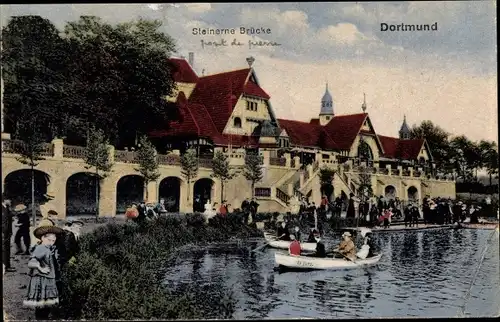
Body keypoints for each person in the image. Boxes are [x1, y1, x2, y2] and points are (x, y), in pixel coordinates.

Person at [23, 219, 64, 320]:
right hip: (42, 280)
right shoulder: (41, 248)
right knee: (42, 305)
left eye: (53, 240)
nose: (51, 243)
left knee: (45, 305)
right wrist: (40, 268)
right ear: (42, 238)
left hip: (48, 279)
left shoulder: (48, 248)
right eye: (49, 240)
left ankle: (43, 318)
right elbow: (31, 262)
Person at [2, 195, 16, 272]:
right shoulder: (2, 209)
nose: (11, 201)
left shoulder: (6, 208)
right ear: (5, 200)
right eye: (9, 200)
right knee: (4, 251)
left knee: (7, 250)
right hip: (4, 233)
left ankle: (7, 266)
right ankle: (5, 267)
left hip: (7, 233)